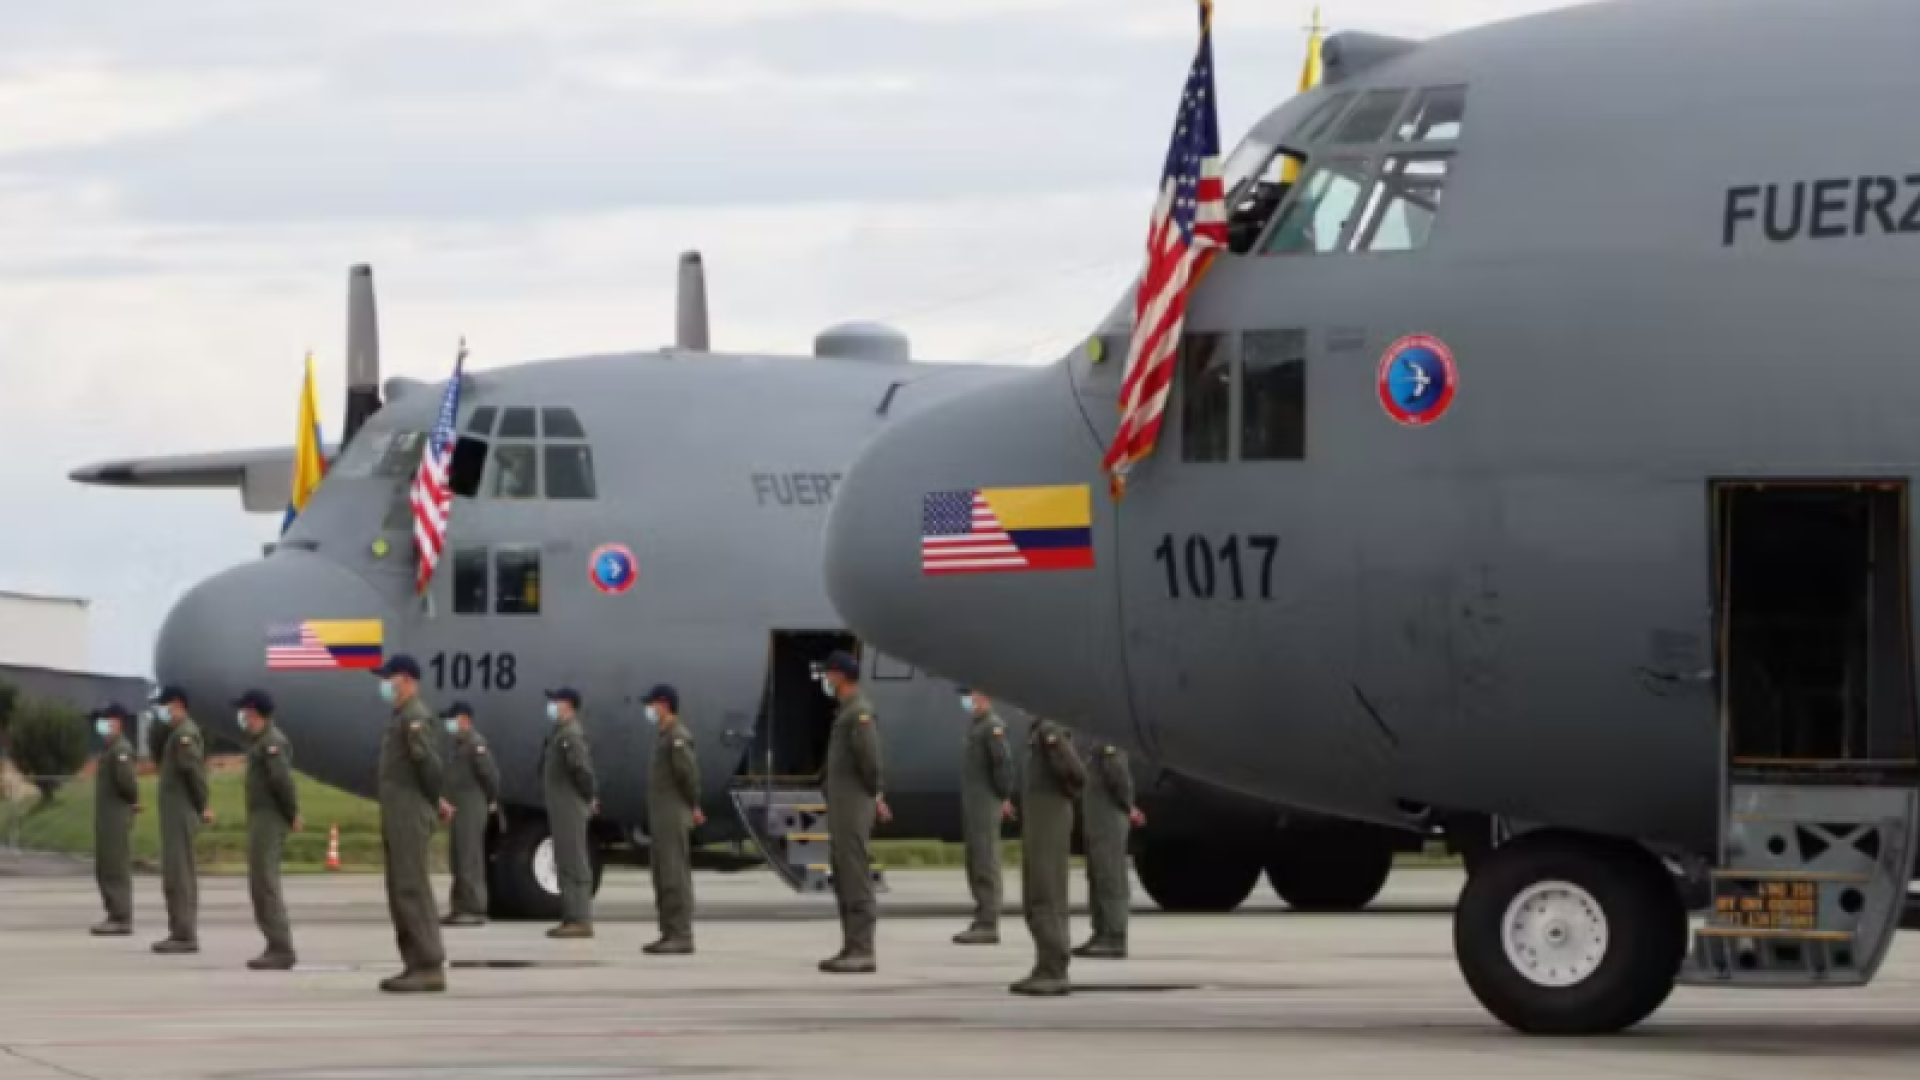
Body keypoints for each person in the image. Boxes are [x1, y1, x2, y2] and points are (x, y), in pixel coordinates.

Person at [371, 654, 452, 993]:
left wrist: (435, 801)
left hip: (408, 813)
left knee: (411, 887)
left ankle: (429, 964)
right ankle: (414, 963)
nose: (384, 684)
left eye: (389, 678)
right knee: (399, 889)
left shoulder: (415, 718)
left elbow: (429, 767)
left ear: (405, 679)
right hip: (397, 811)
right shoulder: (402, 717)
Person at [818, 650, 891, 973]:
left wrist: (874, 794)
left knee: (855, 873)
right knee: (844, 873)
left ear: (840, 676)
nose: (826, 679)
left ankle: (863, 949)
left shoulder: (860, 713)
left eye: (829, 673)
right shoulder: (845, 712)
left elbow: (870, 761)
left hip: (853, 804)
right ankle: (851, 945)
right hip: (842, 805)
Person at [1012, 716, 1085, 996]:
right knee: (1035, 892)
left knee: (1047, 892)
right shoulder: (1040, 730)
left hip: (1050, 819)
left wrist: (1066, 796)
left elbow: (1077, 773)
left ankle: (1054, 969)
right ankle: (1045, 965)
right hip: (1039, 820)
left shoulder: (1050, 729)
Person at [237, 690, 302, 970]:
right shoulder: (261, 743)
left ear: (256, 712)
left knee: (265, 882)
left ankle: (281, 947)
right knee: (259, 882)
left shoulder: (272, 743)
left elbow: (282, 782)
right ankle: (274, 943)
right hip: (260, 816)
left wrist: (292, 814)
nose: (242, 718)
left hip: (270, 817)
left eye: (245, 712)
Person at [641, 684, 704, 955]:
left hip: (673, 813)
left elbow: (688, 775)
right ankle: (668, 931)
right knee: (662, 873)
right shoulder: (664, 736)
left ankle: (680, 933)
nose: (649, 709)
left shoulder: (677, 736)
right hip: (662, 815)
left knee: (673, 873)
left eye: (652, 704)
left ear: (664, 705)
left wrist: (693, 804)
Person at [150, 686, 211, 955]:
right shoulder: (177, 734)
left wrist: (203, 805)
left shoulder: (184, 734)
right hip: (174, 815)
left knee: (180, 874)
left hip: (181, 814)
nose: (162, 712)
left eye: (164, 706)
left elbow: (194, 773)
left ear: (177, 704)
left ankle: (185, 934)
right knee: (174, 875)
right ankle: (178, 931)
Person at [953, 686, 1015, 946]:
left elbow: (1002, 765)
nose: (967, 700)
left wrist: (1002, 797)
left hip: (986, 804)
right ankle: (981, 916)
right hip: (974, 805)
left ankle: (989, 923)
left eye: (971, 695)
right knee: (975, 860)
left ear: (985, 696)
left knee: (985, 860)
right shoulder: (977, 727)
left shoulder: (992, 728)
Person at [1074, 741, 1146, 960]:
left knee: (1111, 878)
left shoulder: (1110, 742)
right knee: (1097, 877)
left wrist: (1128, 806)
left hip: (1109, 822)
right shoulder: (1095, 742)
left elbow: (1120, 780)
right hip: (1097, 824)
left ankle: (1115, 937)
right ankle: (1100, 933)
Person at [539, 687, 598, 939]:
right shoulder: (560, 734)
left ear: (568, 705)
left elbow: (582, 770)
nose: (552, 705)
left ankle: (581, 918)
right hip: (560, 806)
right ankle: (570, 916)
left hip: (570, 806)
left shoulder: (571, 735)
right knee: (563, 860)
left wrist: (589, 797)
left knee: (574, 861)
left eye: (556, 701)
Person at [441, 701, 500, 928]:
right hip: (457, 807)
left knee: (470, 858)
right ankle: (460, 907)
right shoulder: (458, 745)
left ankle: (474, 908)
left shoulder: (476, 744)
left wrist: (491, 799)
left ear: (464, 719)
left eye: (452, 718)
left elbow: (490, 776)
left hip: (471, 807)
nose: (449, 724)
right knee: (458, 858)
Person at [90, 704, 140, 937]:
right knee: (105, 866)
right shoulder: (109, 750)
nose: (101, 724)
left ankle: (121, 917)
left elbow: (128, 783)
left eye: (106, 719)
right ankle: (113, 913)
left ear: (117, 722)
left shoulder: (121, 750)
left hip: (116, 817)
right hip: (106, 817)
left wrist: (133, 802)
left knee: (115, 867)